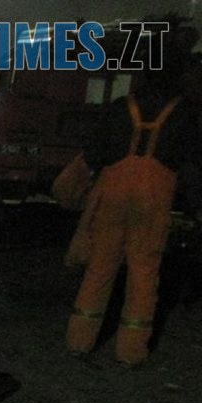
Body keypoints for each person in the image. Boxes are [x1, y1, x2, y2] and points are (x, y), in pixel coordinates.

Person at [66, 64, 196, 366]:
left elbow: (94, 154)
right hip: (152, 203)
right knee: (143, 273)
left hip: (112, 198)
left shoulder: (119, 108)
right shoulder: (185, 113)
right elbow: (191, 166)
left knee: (99, 269)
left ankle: (78, 341)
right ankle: (131, 352)